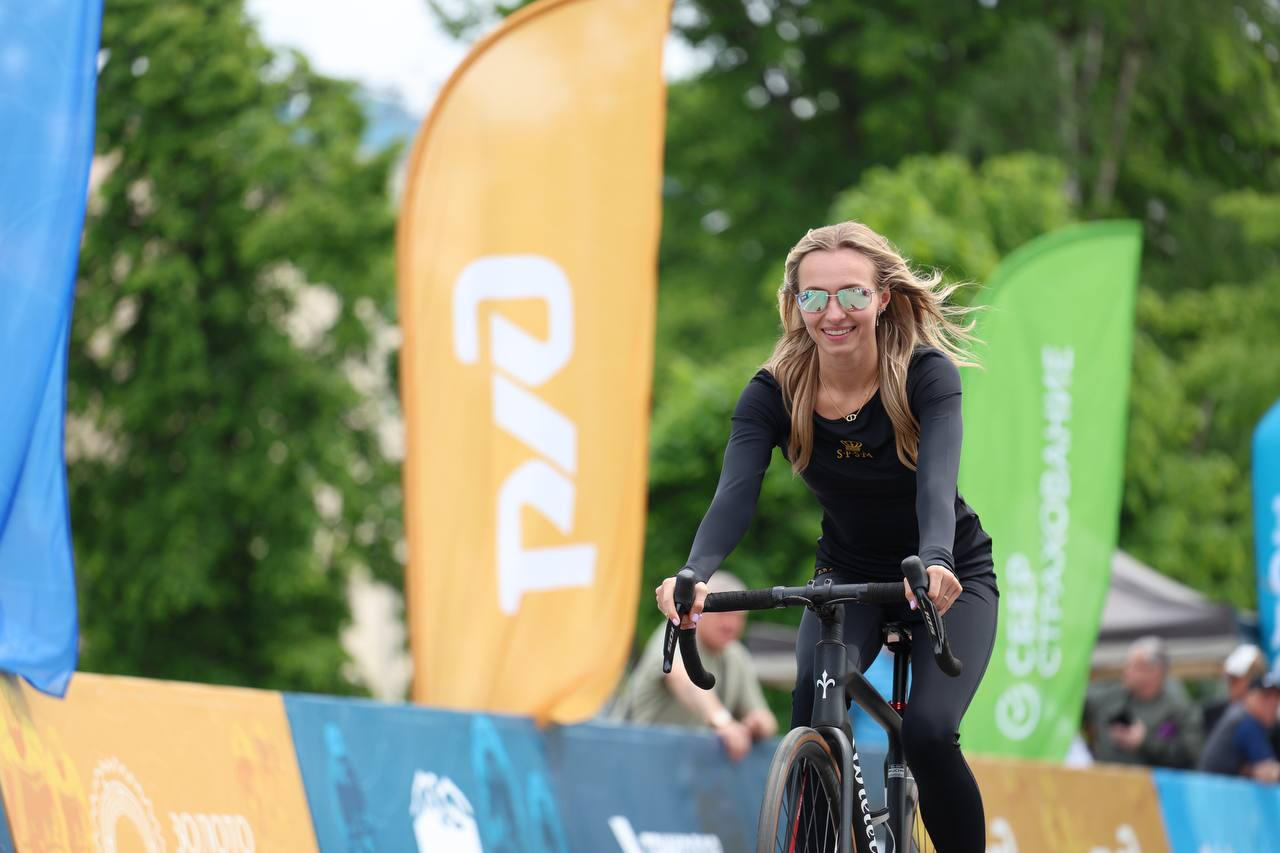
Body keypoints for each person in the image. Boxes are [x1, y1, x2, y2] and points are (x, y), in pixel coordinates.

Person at [654, 221, 998, 850]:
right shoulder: (773, 392)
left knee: (927, 733)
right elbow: (735, 494)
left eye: (852, 294)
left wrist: (937, 558)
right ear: (795, 303)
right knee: (813, 714)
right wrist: (694, 572)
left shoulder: (925, 374)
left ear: (882, 298)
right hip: (847, 572)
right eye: (814, 296)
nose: (833, 313)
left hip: (947, 572)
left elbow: (936, 485)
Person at [614, 571, 777, 760]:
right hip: (635, 758)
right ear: (699, 609)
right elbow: (680, 679)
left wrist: (758, 725)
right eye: (723, 614)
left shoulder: (736, 655)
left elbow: (765, 718)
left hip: (687, 767)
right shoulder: (674, 633)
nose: (730, 624)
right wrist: (723, 722)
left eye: (738, 617)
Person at [1084, 636, 1202, 769]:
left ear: (1154, 672)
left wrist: (1145, 742)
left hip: (1152, 781)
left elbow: (1191, 754)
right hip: (1105, 777)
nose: (1126, 671)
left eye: (1134, 666)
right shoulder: (1109, 698)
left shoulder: (1178, 708)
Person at [1198, 672, 1280, 782]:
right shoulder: (1247, 722)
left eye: (1276, 697)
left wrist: (1250, 770)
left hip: (1215, 786)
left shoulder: (1241, 714)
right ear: (1249, 696)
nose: (1272, 703)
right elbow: (1269, 772)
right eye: (1265, 696)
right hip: (1214, 788)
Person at [1202, 643, 1267, 735]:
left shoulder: (1269, 715)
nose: (1230, 684)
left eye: (1235, 679)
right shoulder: (1214, 714)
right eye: (1229, 678)